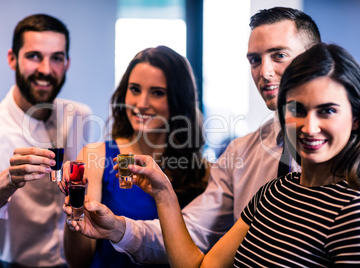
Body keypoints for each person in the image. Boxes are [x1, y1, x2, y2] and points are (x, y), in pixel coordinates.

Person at [63, 6, 322, 265]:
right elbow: (191, 235)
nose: (264, 72)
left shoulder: (345, 156)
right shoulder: (239, 154)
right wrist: (118, 228)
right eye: (254, 60)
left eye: (279, 55)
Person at [128, 42, 360, 266]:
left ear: (355, 119)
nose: (310, 127)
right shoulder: (273, 192)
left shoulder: (352, 211)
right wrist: (163, 194)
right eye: (297, 109)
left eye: (327, 111)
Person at [0, 14, 92, 267]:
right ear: (12, 58)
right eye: (34, 56)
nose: (45, 69)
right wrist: (9, 178)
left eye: (56, 58)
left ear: (67, 63)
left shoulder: (79, 116)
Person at [62, 46, 210, 267]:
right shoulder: (96, 156)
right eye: (135, 89)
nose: (141, 103)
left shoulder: (202, 172)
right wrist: (75, 210)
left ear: (180, 100)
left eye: (157, 92)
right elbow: (78, 261)